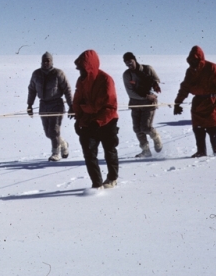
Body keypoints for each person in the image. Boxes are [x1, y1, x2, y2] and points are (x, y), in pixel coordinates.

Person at [70, 50, 120, 189]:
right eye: (79, 69)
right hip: (88, 120)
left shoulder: (105, 79)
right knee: (89, 153)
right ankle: (96, 184)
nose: (79, 71)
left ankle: (112, 178)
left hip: (107, 121)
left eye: (81, 68)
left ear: (89, 67)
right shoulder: (81, 81)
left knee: (109, 150)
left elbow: (111, 106)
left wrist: (97, 122)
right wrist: (78, 120)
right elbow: (77, 101)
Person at [173, 46, 216, 157]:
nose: (193, 62)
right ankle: (201, 151)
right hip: (198, 102)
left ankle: (215, 147)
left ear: (200, 58)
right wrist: (178, 102)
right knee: (197, 128)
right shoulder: (190, 71)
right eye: (191, 60)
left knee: (212, 126)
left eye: (195, 59)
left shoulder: (212, 67)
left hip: (212, 101)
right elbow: (185, 87)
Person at [27, 52, 74, 161]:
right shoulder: (36, 74)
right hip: (43, 105)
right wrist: (29, 105)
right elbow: (32, 90)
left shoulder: (58, 73)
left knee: (54, 130)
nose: (46, 63)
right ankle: (63, 143)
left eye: (48, 60)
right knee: (48, 133)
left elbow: (67, 89)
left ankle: (55, 153)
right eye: (44, 60)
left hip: (56, 104)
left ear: (52, 61)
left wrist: (71, 105)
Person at [122, 52, 163, 158]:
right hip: (135, 103)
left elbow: (156, 79)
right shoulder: (127, 75)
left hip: (149, 103)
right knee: (137, 129)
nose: (129, 65)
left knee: (145, 127)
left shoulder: (148, 69)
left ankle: (157, 138)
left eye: (130, 62)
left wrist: (155, 85)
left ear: (134, 60)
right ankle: (146, 151)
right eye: (126, 63)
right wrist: (145, 96)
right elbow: (130, 92)